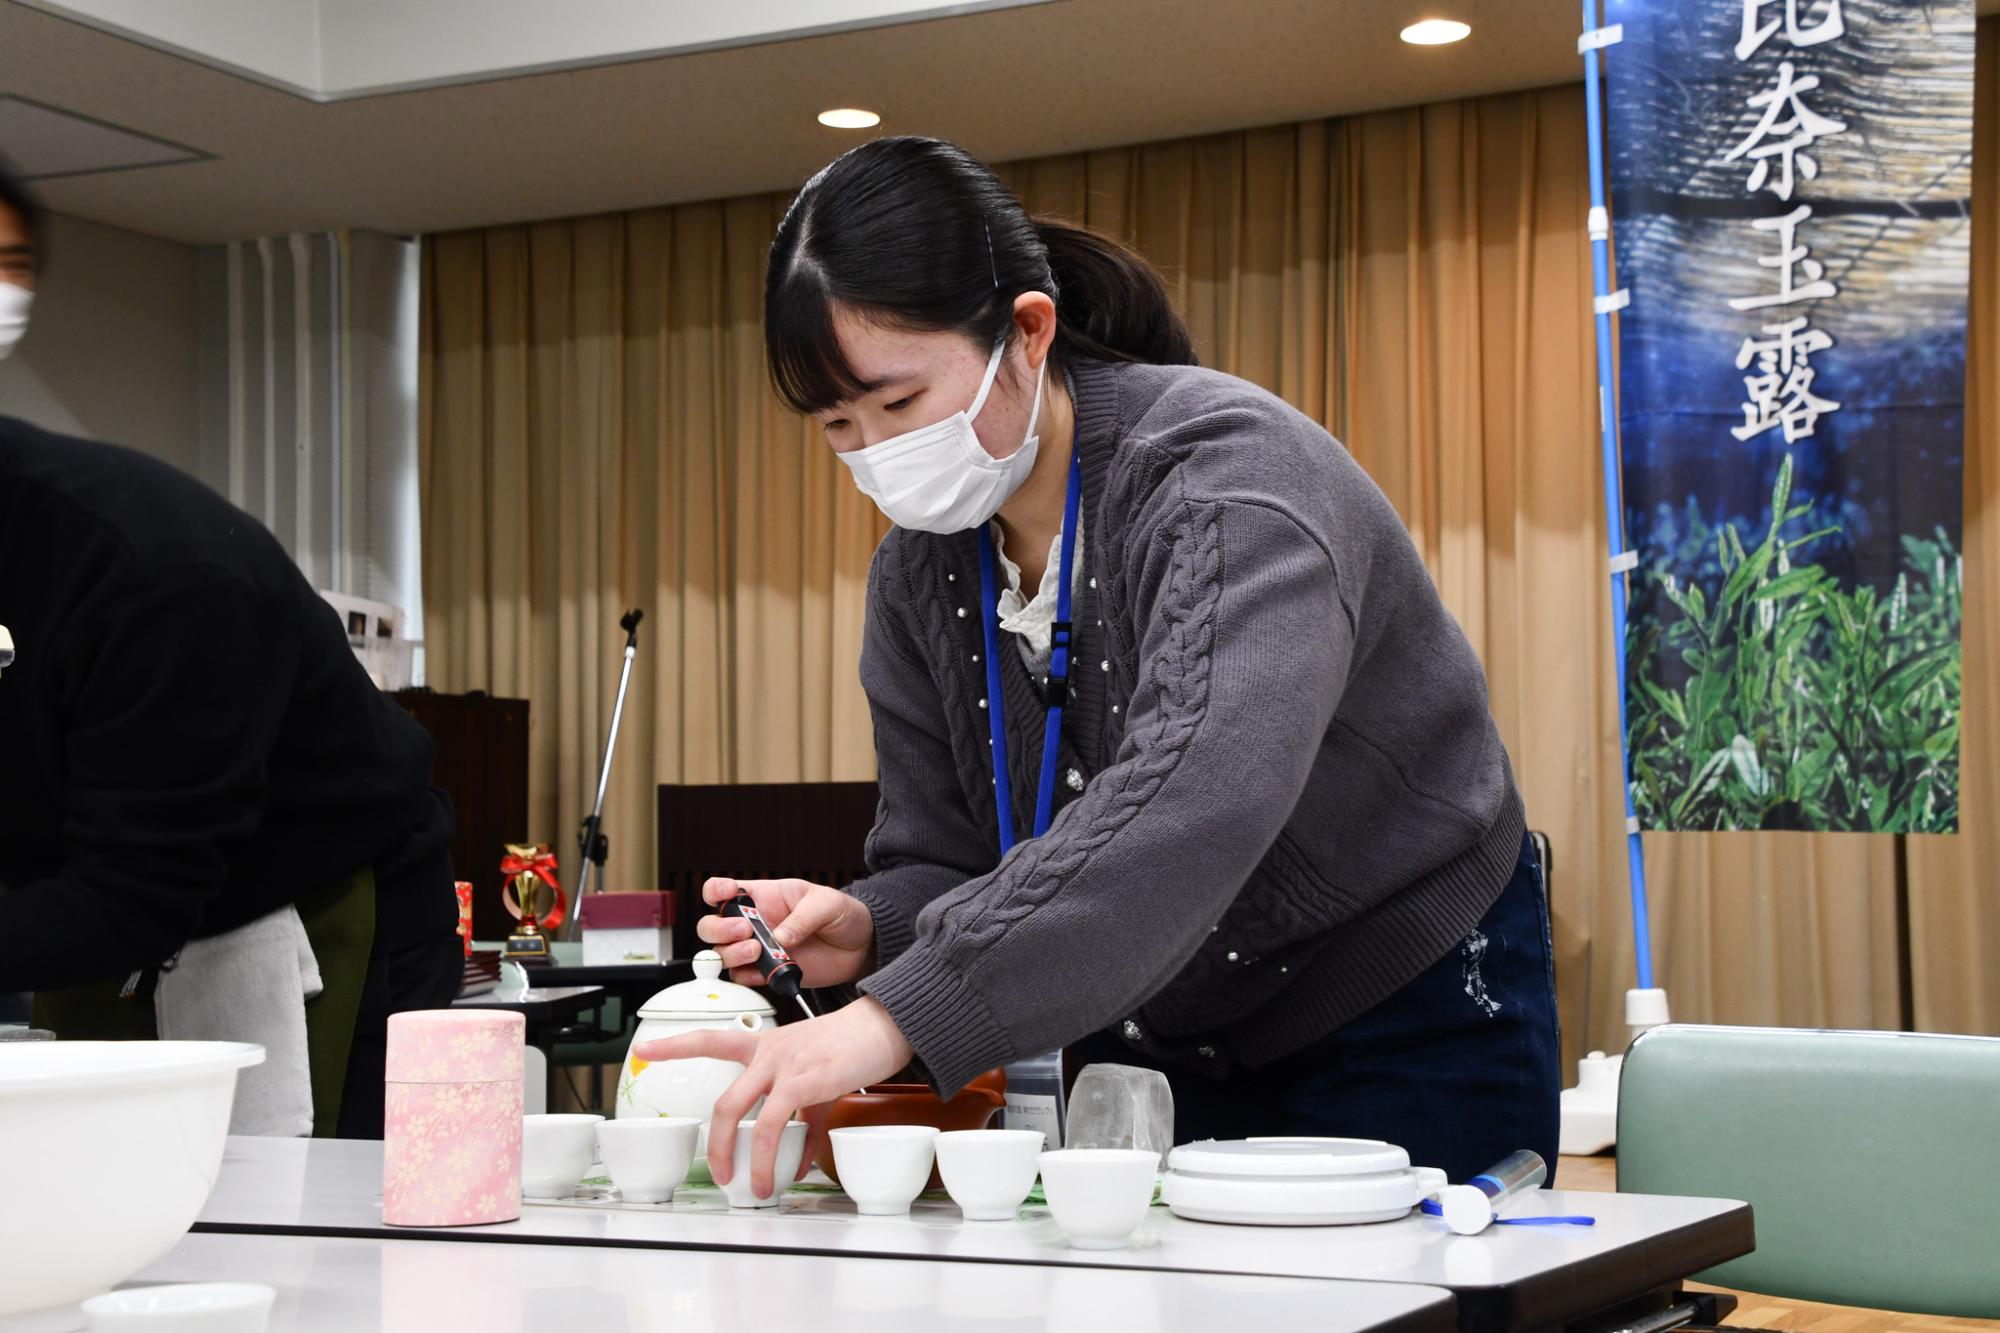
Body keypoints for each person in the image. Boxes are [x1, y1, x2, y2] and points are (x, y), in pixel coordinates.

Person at [640, 136, 1559, 1201]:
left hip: (1403, 995)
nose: (874, 452)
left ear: (1026, 333)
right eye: (838, 427)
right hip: (1165, 1008)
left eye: (895, 405)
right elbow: (951, 854)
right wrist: (874, 924)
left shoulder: (1226, 480)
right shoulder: (918, 574)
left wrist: (895, 1016)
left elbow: (1195, 799)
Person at [0, 162, 460, 1136]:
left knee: (304, 1241)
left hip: (305, 906)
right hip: (82, 909)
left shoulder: (148, 565)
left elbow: (139, 886)